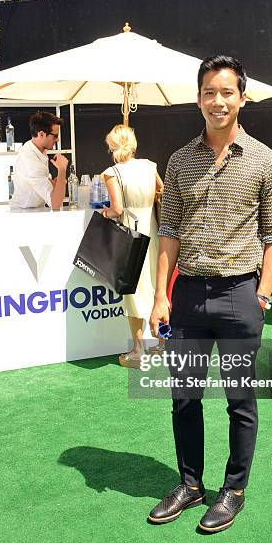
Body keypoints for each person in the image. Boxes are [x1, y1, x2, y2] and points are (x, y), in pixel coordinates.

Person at [148, 55, 272, 533]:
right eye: (209, 92)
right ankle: (191, 485)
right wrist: (161, 296)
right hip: (186, 297)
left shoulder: (269, 161)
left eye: (227, 92)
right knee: (184, 396)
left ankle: (234, 490)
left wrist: (262, 296)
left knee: (238, 399)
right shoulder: (180, 159)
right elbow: (169, 231)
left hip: (239, 296)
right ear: (199, 99)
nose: (218, 100)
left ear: (242, 97)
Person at [101, 124, 163, 369]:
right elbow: (163, 191)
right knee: (157, 287)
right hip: (154, 230)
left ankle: (138, 351)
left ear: (112, 146)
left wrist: (104, 212)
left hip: (130, 234)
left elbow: (116, 210)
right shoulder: (150, 166)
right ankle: (162, 344)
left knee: (133, 293)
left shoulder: (111, 172)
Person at [10, 111, 68, 210]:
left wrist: (55, 184)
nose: (57, 139)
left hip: (33, 211)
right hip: (25, 215)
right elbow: (56, 204)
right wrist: (62, 170)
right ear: (41, 134)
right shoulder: (31, 162)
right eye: (55, 135)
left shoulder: (35, 148)